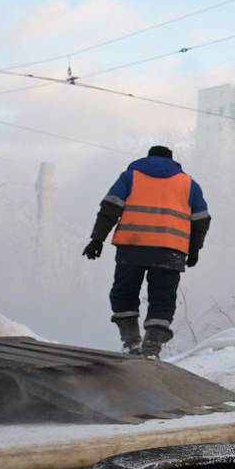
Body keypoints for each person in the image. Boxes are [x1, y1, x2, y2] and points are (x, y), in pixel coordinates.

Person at [82, 145, 210, 356]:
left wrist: (97, 240)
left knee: (124, 292)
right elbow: (201, 220)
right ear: (172, 160)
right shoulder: (189, 184)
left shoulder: (130, 177)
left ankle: (131, 340)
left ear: (147, 158)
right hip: (170, 251)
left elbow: (110, 209)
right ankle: (152, 345)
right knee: (163, 297)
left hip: (133, 247)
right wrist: (194, 249)